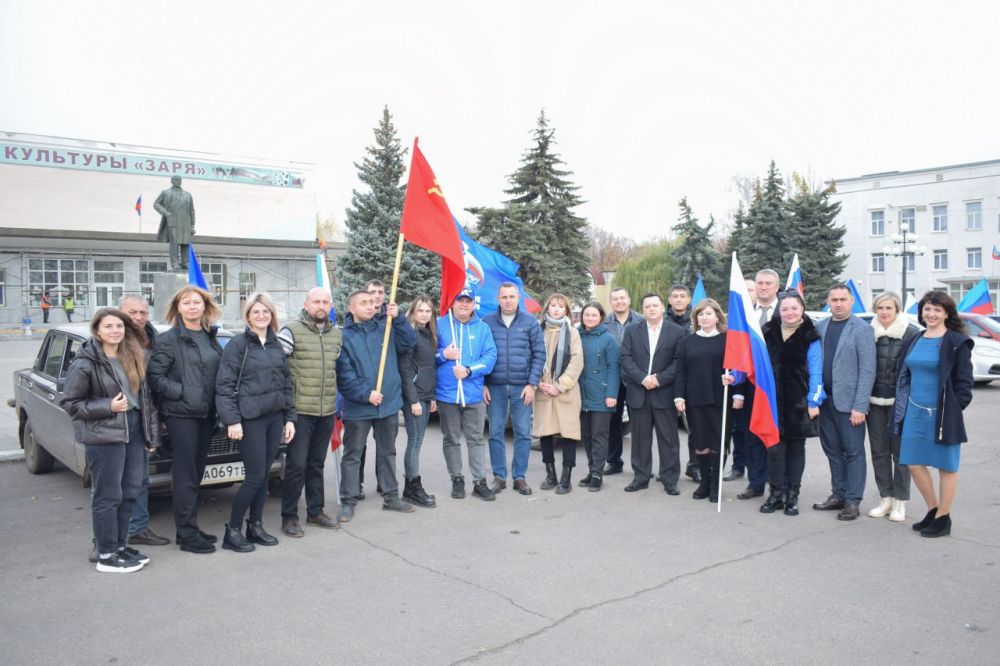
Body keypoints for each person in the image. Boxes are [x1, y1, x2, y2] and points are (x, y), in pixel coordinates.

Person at [61, 308, 161, 573]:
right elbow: (71, 403)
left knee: (130, 493)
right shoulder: (86, 362)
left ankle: (120, 546)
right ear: (97, 330)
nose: (115, 331)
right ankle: (106, 554)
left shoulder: (134, 357)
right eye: (108, 326)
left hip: (134, 432)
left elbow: (146, 401)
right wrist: (108, 406)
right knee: (108, 496)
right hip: (104, 436)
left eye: (119, 326)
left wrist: (151, 436)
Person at [215, 293, 295, 552]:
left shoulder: (275, 345)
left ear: (272, 315)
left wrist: (289, 418)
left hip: (274, 418)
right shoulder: (238, 344)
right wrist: (232, 420)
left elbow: (285, 383)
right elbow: (224, 385)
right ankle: (233, 530)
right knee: (254, 477)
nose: (262, 316)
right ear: (247, 316)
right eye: (256, 312)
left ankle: (255, 525)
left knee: (264, 475)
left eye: (266, 312)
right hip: (250, 420)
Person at [147, 286, 223, 554]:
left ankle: (188, 527)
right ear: (178, 308)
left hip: (206, 415)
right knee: (185, 475)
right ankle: (187, 534)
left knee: (197, 473)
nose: (192, 307)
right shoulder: (169, 340)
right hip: (182, 415)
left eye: (197, 302)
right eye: (186, 302)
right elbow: (155, 378)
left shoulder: (210, 337)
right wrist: (185, 394)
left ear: (205, 307)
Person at [895, 291, 974, 538]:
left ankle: (944, 518)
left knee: (946, 466)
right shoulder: (916, 338)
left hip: (943, 414)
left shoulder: (955, 341)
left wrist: (952, 408)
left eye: (937, 310)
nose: (931, 314)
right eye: (927, 309)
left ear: (947, 313)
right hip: (914, 412)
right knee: (913, 463)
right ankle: (933, 509)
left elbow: (964, 383)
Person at [336, 289, 416, 522]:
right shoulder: (344, 337)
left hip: (388, 404)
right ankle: (348, 500)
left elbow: (409, 342)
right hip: (359, 407)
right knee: (353, 454)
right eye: (364, 303)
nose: (370, 306)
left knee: (387, 451)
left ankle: (391, 495)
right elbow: (344, 375)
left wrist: (399, 318)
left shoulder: (387, 327)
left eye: (372, 302)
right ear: (351, 308)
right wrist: (365, 394)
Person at [277, 287, 343, 537]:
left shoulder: (336, 335)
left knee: (317, 463)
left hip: (326, 411)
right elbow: (278, 369)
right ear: (306, 304)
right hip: (300, 411)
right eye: (316, 301)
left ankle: (315, 511)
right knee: (296, 466)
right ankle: (289, 516)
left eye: (326, 302)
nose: (321, 306)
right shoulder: (290, 331)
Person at [813, 284, 877, 521]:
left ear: (851, 302)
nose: (838, 304)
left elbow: (868, 370)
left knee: (853, 452)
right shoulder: (820, 327)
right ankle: (838, 494)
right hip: (825, 401)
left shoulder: (862, 329)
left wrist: (860, 406)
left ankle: (852, 500)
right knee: (832, 451)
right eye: (834, 299)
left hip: (850, 405)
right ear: (828, 302)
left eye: (843, 299)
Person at [759, 292, 825, 516]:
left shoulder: (811, 335)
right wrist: (735, 377)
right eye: (785, 309)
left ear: (802, 309)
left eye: (794, 308)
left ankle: (792, 495)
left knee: (796, 449)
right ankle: (776, 493)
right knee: (775, 450)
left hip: (798, 402)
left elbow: (816, 371)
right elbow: (755, 363)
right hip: (772, 401)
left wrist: (814, 401)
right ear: (780, 310)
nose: (789, 313)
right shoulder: (767, 332)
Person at [674, 298, 744, 504]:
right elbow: (681, 371)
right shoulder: (687, 342)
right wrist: (679, 396)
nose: (704, 317)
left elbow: (738, 368)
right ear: (696, 318)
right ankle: (705, 480)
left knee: (719, 442)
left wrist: (738, 393)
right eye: (700, 314)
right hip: (696, 399)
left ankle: (716, 483)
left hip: (721, 398)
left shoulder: (728, 340)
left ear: (717, 317)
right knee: (700, 442)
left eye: (708, 314)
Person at [483, 282, 546, 496]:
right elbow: (480, 354)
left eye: (512, 296)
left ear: (518, 297)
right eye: (504, 297)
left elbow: (539, 354)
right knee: (495, 432)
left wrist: (532, 384)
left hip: (522, 387)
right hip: (495, 386)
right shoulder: (487, 322)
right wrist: (483, 383)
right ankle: (499, 476)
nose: (508, 300)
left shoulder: (530, 322)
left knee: (523, 433)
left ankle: (519, 476)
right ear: (498, 299)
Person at [619, 292, 686, 494]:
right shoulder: (632, 330)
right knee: (640, 439)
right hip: (638, 392)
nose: (651, 309)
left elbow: (679, 362)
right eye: (647, 306)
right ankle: (640, 477)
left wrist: (658, 379)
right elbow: (625, 357)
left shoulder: (676, 332)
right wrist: (642, 378)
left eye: (655, 305)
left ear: (662, 307)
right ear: (643, 309)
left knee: (669, 439)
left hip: (664, 393)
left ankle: (669, 479)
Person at [435, 288, 498, 501]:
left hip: (473, 394)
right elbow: (426, 356)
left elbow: (490, 357)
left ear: (473, 304)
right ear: (453, 303)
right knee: (451, 438)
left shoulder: (482, 328)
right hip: (447, 394)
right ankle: (457, 479)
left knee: (476, 439)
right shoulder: (440, 324)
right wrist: (444, 354)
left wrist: (470, 370)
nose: (464, 304)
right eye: (460, 300)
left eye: (467, 301)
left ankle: (479, 482)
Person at [120, 294, 171, 548]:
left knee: (140, 478)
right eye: (133, 313)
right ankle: (111, 539)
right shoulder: (109, 340)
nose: (139, 318)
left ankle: (137, 528)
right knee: (115, 483)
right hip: (117, 421)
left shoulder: (153, 340)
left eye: (143, 313)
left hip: (145, 418)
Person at [866, 292, 920, 522]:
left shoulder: (911, 333)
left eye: (889, 308)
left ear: (897, 310)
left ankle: (900, 502)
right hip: (874, 403)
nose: (884, 312)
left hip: (900, 404)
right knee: (879, 453)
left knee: (900, 454)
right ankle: (885, 498)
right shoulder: (867, 332)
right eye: (880, 308)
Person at [533, 293, 584, 493]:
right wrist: (538, 382)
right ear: (547, 309)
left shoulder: (572, 332)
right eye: (552, 305)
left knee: (568, 435)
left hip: (566, 392)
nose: (556, 309)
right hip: (543, 390)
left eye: (560, 306)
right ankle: (550, 474)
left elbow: (576, 362)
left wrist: (560, 385)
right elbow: (532, 356)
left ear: (566, 311)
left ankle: (566, 478)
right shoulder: (538, 330)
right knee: (545, 434)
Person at [736, 269, 780, 500]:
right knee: (752, 434)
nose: (763, 287)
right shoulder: (745, 314)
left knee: (773, 437)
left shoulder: (787, 312)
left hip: (777, 388)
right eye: (760, 283)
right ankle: (755, 483)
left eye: (768, 283)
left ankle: (777, 484)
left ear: (776, 287)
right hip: (751, 386)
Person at [399, 295, 438, 507]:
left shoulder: (428, 334)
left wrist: (430, 397)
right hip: (413, 397)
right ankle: (412, 487)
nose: (424, 314)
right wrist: (413, 400)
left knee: (418, 442)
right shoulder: (410, 335)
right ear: (413, 312)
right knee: (414, 443)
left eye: (428, 311)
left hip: (424, 395)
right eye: (420, 310)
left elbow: (427, 368)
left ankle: (410, 487)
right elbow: (405, 370)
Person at [576, 302, 619, 492]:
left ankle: (597, 474)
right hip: (581, 395)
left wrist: (611, 394)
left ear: (601, 317)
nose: (590, 318)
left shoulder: (609, 340)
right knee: (586, 435)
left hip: (601, 395)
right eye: (587, 315)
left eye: (594, 315)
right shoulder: (575, 335)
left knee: (599, 436)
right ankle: (591, 469)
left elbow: (614, 369)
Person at [603, 287, 642, 475]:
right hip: (613, 379)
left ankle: (641, 464)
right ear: (611, 302)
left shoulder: (641, 321)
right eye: (615, 299)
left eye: (622, 298)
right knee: (613, 422)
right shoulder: (604, 323)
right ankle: (614, 461)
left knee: (639, 423)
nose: (619, 302)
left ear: (628, 299)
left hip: (636, 379)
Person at [724, 279, 758, 482]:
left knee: (757, 429)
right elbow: (734, 355)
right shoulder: (734, 318)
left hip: (759, 383)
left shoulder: (761, 316)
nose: (747, 293)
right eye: (743, 290)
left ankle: (759, 468)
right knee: (738, 429)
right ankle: (738, 466)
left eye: (750, 289)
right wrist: (738, 391)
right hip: (738, 382)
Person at [154, 176, 196, 271]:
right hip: (172, 221)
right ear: (172, 181)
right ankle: (175, 263)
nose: (178, 181)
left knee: (186, 243)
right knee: (174, 243)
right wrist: (165, 212)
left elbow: (192, 210)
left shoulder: (187, 195)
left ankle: (186, 263)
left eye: (180, 180)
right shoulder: (165, 193)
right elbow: (156, 204)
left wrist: (193, 225)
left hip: (186, 223)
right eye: (176, 179)